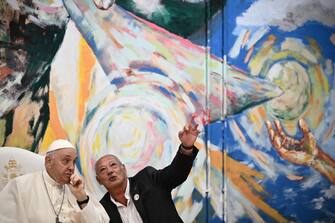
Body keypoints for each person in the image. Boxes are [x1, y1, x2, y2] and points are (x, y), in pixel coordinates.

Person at [95, 122, 200, 223]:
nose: (109, 171)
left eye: (113, 165)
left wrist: (186, 148)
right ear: (98, 180)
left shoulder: (148, 179)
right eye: (103, 170)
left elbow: (175, 174)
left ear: (124, 169)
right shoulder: (102, 209)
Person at [0, 139, 110, 223]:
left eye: (74, 162)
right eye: (66, 161)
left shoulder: (77, 188)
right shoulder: (20, 186)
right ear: (48, 162)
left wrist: (81, 197)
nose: (72, 167)